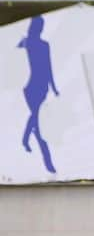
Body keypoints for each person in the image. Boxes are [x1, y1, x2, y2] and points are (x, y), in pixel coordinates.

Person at [19, 16, 58, 174]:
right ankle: (48, 163)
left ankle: (25, 139)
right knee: (38, 121)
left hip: (41, 88)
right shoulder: (30, 43)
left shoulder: (36, 43)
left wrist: (53, 88)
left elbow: (48, 68)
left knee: (36, 118)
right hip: (33, 87)